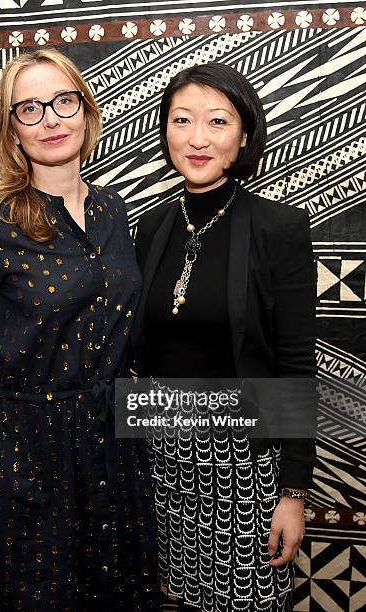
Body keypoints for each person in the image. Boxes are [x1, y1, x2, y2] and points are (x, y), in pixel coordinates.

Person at [0, 48, 159, 611]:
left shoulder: (115, 210)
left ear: (86, 111)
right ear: (12, 131)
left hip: (110, 445)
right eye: (29, 109)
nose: (51, 120)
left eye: (63, 102)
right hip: (24, 445)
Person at [132, 63, 317, 611]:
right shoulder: (151, 227)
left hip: (246, 464)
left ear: (243, 135)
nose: (197, 138)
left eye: (217, 121)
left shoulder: (279, 228)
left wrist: (292, 493)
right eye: (181, 120)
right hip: (161, 455)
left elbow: (295, 365)